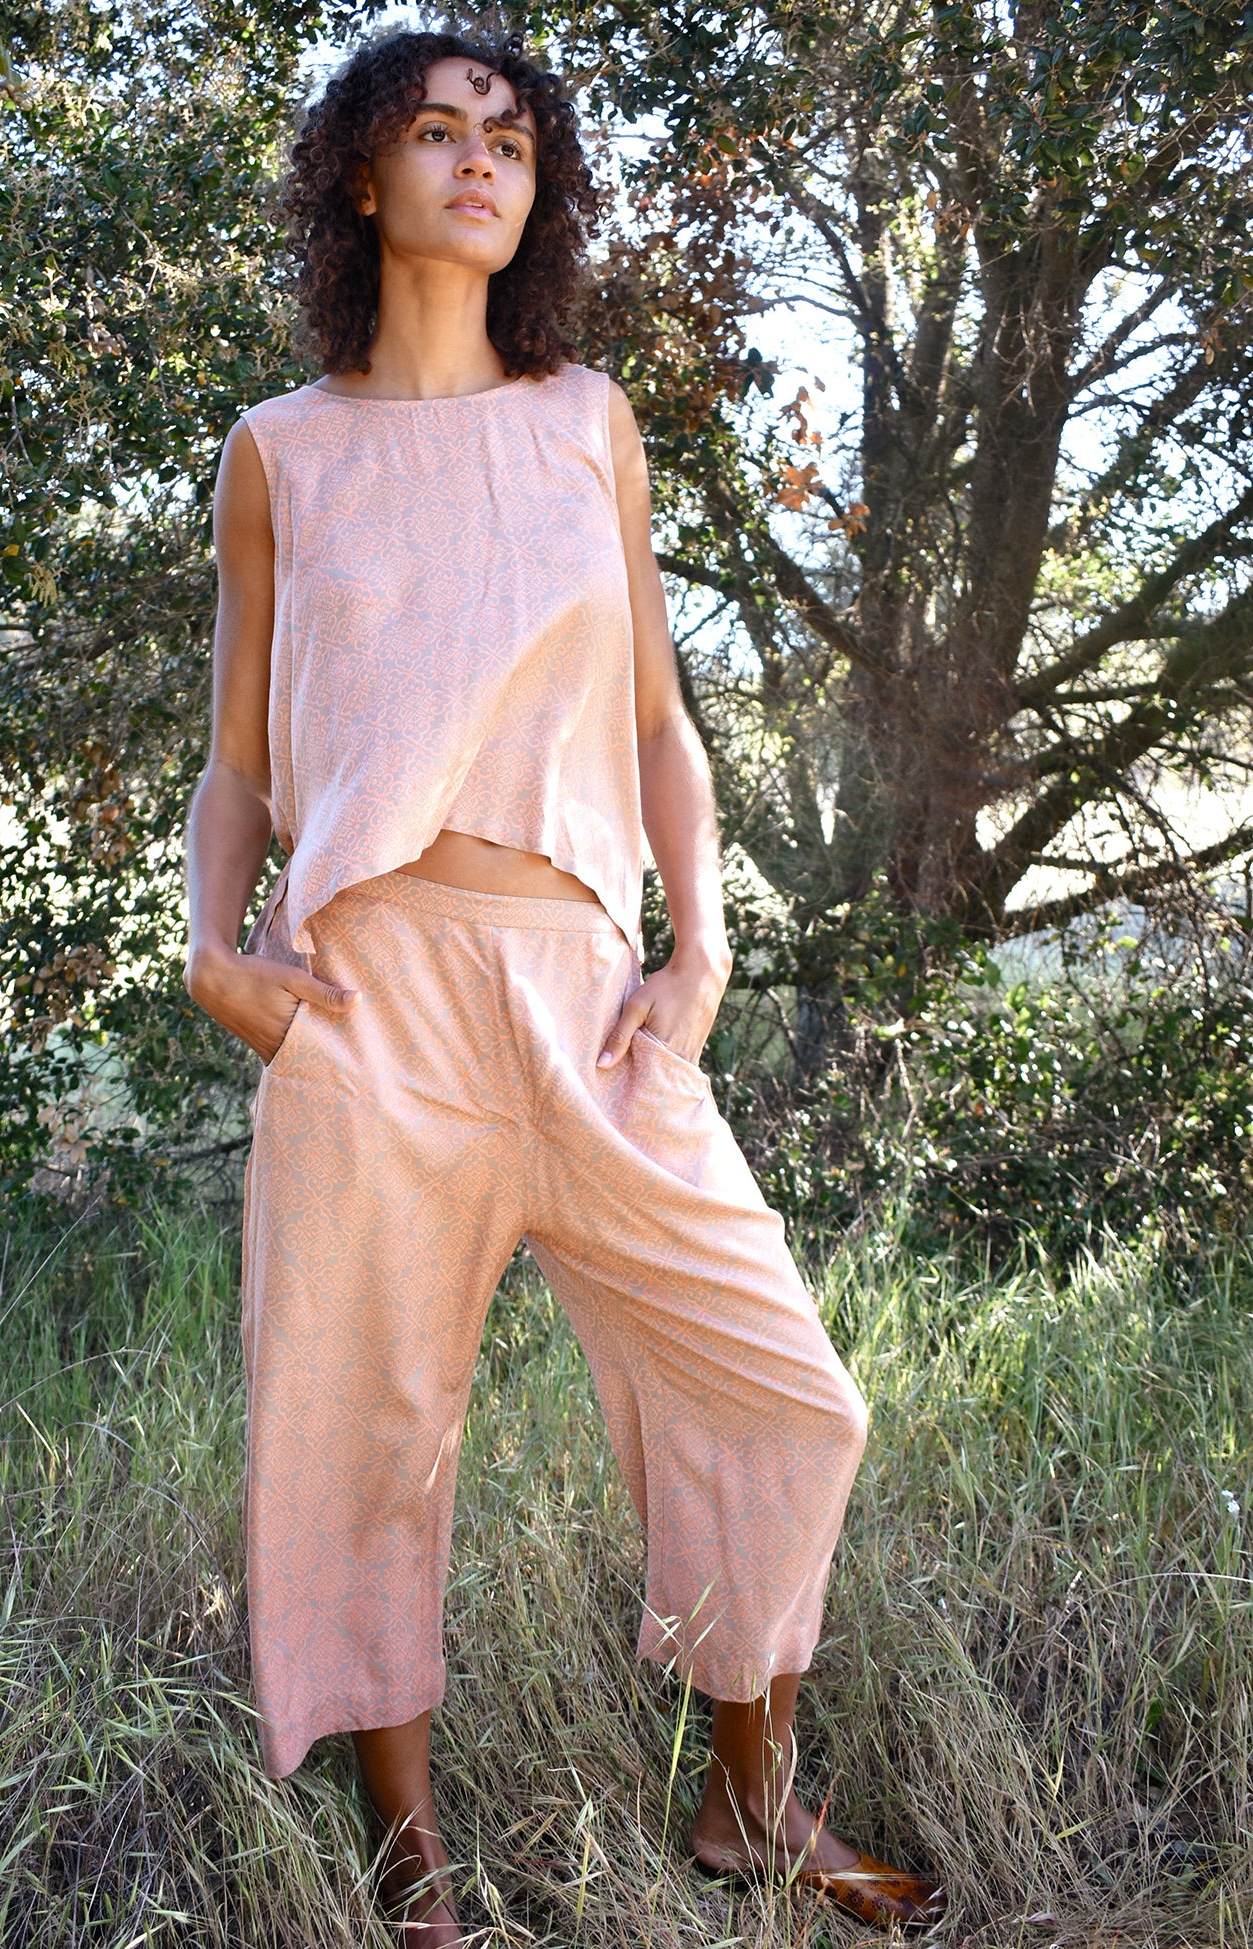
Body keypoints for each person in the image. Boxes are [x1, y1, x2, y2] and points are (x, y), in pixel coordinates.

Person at [184, 27, 945, 1943]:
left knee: (785, 1391)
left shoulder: (587, 418)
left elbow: (661, 721)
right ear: (364, 178)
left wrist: (700, 953)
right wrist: (220, 955)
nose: (475, 164)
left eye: (507, 140)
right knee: (360, 1424)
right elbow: (239, 764)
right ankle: (414, 1864)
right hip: (372, 1003)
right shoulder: (282, 452)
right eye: (433, 134)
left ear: (540, 188)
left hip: (589, 996)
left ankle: (749, 1802)